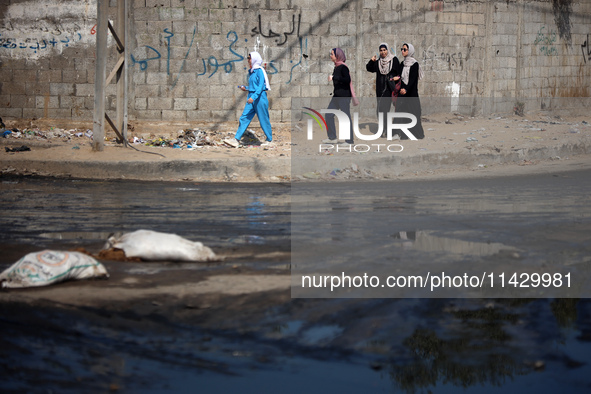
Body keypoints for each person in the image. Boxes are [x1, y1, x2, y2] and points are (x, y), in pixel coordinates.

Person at [227, 51, 272, 147]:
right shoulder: (251, 72)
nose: (248, 60)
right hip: (251, 97)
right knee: (244, 117)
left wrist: (253, 97)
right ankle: (236, 139)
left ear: (255, 59)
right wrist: (246, 88)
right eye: (248, 58)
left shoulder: (259, 71)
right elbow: (254, 87)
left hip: (259, 98)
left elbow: (260, 87)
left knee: (263, 119)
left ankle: (269, 139)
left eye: (249, 58)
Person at [323, 48, 358, 145]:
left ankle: (349, 140)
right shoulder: (336, 67)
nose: (330, 56)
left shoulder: (343, 67)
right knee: (328, 114)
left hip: (344, 97)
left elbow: (347, 79)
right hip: (336, 96)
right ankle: (332, 137)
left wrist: (334, 77)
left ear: (337, 56)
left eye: (332, 54)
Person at [366, 43, 400, 136]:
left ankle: (388, 130)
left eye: (384, 50)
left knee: (386, 110)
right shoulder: (378, 62)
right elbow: (369, 68)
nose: (383, 52)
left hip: (390, 89)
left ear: (387, 50)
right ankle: (383, 129)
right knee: (380, 110)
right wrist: (371, 61)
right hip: (380, 90)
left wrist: (395, 78)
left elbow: (399, 72)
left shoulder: (394, 60)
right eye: (381, 50)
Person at [397, 43, 425, 139]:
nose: (402, 51)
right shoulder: (402, 64)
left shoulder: (414, 64)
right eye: (402, 49)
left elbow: (413, 79)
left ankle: (418, 134)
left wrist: (406, 89)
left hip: (411, 93)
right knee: (403, 114)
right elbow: (400, 76)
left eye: (405, 49)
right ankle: (405, 135)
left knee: (414, 114)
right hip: (403, 93)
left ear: (410, 51)